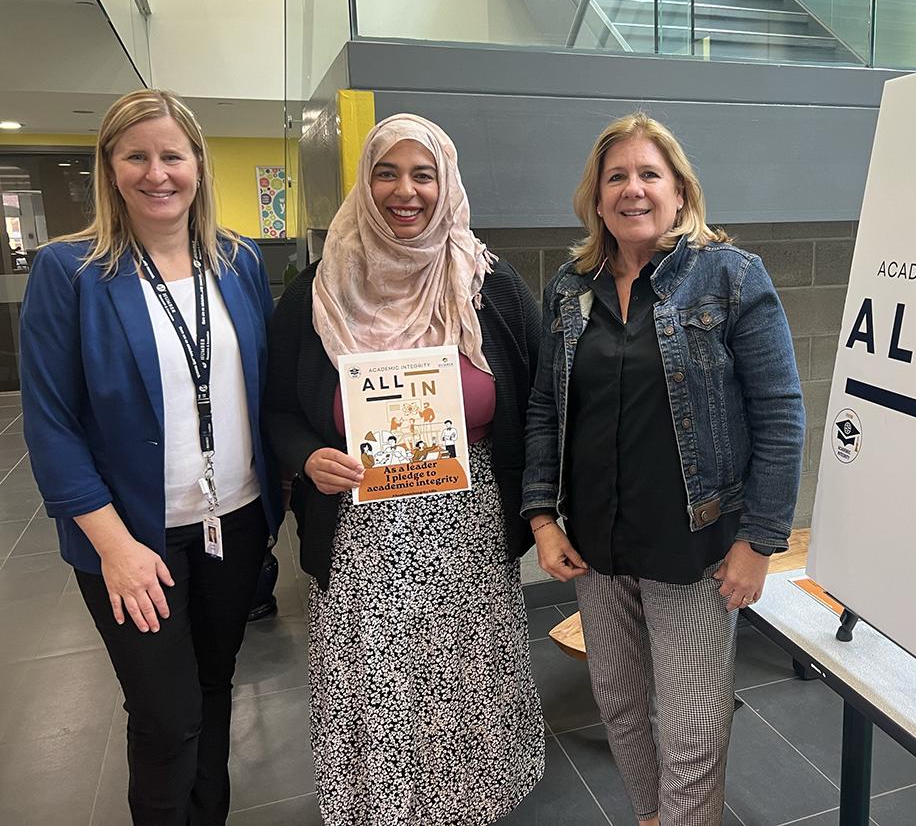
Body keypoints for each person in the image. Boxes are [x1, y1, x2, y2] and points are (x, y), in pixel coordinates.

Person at [522, 112, 805, 826]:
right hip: (598, 545)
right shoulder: (569, 287)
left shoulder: (730, 277)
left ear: (680, 191)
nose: (633, 189)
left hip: (695, 546)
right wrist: (543, 516)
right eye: (616, 176)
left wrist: (758, 541)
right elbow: (545, 412)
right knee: (617, 703)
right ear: (596, 196)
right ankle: (653, 817)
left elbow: (781, 414)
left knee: (690, 725)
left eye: (650, 174)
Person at [264, 113, 545, 825]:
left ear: (446, 182)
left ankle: (472, 804)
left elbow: (542, 399)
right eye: (387, 172)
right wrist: (305, 456)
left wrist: (543, 510)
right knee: (380, 682)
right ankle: (383, 807)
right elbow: (276, 411)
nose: (405, 191)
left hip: (470, 528)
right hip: (358, 530)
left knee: (465, 674)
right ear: (365, 181)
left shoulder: (490, 285)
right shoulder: (317, 291)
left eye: (423, 174)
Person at [19, 88, 281, 825]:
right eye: (136, 156)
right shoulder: (69, 272)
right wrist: (115, 548)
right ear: (110, 168)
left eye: (172, 155)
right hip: (131, 538)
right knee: (165, 718)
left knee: (213, 688)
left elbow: (263, 388)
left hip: (234, 520)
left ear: (199, 163)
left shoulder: (239, 262)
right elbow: (52, 426)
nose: (156, 173)